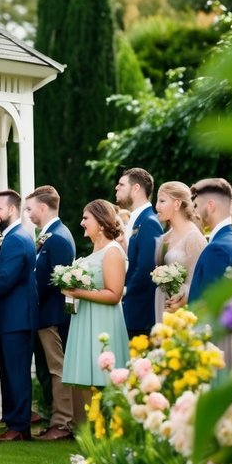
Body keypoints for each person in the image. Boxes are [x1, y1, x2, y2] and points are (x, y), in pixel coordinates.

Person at [62, 200, 130, 424]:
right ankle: (96, 436)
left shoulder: (112, 252)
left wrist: (77, 292)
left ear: (101, 223)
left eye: (86, 218)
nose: (81, 223)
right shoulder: (94, 252)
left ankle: (111, 436)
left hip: (103, 323)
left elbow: (114, 294)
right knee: (90, 384)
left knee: (105, 385)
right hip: (87, 320)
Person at [25, 186, 76, 441]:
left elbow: (56, 280)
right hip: (44, 315)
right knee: (50, 369)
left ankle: (63, 422)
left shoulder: (58, 238)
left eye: (30, 208)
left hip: (53, 315)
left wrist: (30, 300)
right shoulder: (48, 236)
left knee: (58, 369)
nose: (28, 213)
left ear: (43, 208)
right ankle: (55, 418)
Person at [0, 189, 37, 442]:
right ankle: (13, 422)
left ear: (12, 210)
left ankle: (19, 427)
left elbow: (4, 280)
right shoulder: (10, 237)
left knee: (16, 373)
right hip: (7, 317)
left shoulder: (17, 239)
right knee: (8, 372)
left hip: (16, 319)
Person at [115, 167, 163, 340]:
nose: (116, 188)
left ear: (136, 188)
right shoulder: (136, 220)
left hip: (141, 313)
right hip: (133, 310)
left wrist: (124, 291)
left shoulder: (149, 222)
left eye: (121, 184)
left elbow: (145, 268)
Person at [188, 178, 232, 302]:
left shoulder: (217, 249)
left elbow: (208, 304)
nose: (194, 212)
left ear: (210, 206)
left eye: (196, 205)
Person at [153, 181, 206, 315]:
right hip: (163, 301)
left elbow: (199, 280)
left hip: (183, 308)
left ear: (177, 204)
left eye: (162, 201)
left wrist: (181, 298)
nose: (157, 206)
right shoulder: (164, 238)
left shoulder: (193, 236)